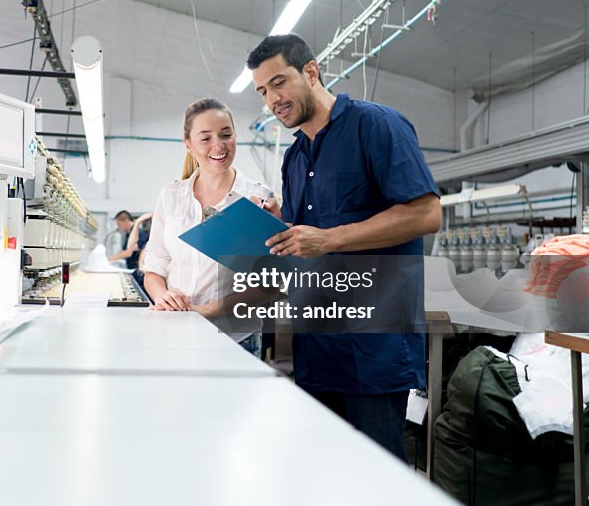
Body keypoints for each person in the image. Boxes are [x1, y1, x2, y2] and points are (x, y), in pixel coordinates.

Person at [247, 33, 441, 461]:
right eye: (263, 91)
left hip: (373, 350)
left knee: (376, 480)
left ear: (311, 72)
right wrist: (270, 227)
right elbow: (303, 239)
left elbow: (426, 214)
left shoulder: (376, 125)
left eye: (278, 83)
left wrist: (330, 238)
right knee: (322, 476)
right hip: (317, 348)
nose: (271, 100)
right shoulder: (294, 156)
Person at [140, 98, 275, 356]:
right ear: (188, 145)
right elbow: (155, 265)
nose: (218, 145)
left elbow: (268, 284)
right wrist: (162, 297)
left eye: (226, 134)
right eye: (206, 138)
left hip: (236, 340)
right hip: (175, 330)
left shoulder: (258, 198)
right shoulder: (171, 196)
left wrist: (205, 310)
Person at [108, 210, 152, 288]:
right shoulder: (129, 234)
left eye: (119, 224)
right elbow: (123, 251)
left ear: (125, 221)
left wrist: (107, 260)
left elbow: (129, 252)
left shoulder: (139, 232)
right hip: (133, 271)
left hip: (139, 273)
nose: (118, 227)